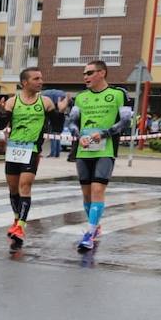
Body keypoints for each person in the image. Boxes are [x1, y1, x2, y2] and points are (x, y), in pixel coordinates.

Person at [63, 59, 133, 253]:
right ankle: (95, 224)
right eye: (84, 74)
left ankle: (90, 232)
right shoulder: (81, 97)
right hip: (84, 149)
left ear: (102, 73)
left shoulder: (118, 94)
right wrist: (79, 136)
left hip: (106, 148)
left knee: (97, 190)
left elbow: (126, 121)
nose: (85, 77)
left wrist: (103, 134)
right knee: (86, 194)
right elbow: (72, 122)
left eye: (90, 73)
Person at [0, 66, 57, 248]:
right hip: (14, 149)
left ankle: (21, 226)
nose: (41, 81)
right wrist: (2, 112)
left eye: (41, 78)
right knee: (13, 188)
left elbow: (58, 126)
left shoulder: (45, 102)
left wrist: (58, 112)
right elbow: (0, 126)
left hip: (32, 149)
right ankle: (16, 220)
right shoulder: (12, 102)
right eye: (36, 78)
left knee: (25, 186)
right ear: (25, 82)